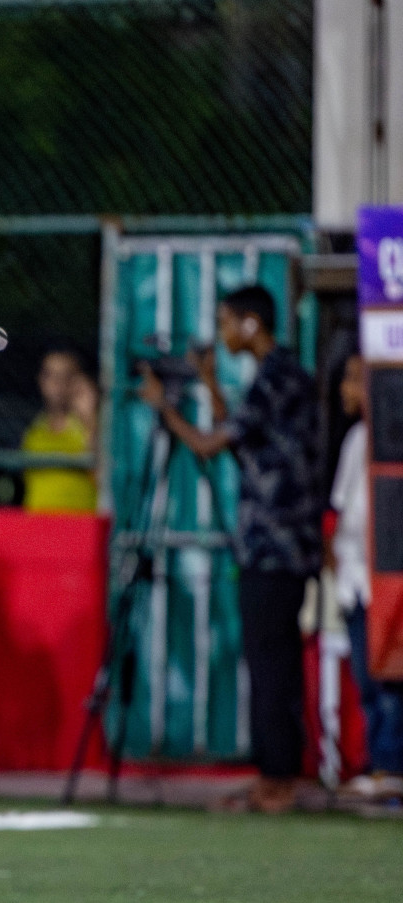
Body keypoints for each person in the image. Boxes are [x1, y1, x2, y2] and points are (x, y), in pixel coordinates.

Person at [140, 284, 321, 813]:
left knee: (270, 664)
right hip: (278, 546)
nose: (219, 333)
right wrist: (211, 383)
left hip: (275, 548)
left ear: (249, 324)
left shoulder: (276, 378)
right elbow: (240, 440)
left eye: (225, 322)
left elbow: (208, 443)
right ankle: (276, 776)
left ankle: (277, 782)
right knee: (273, 661)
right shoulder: (282, 377)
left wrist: (163, 409)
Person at [331, 353, 401, 800]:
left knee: (390, 679)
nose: (346, 389)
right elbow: (342, 510)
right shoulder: (357, 439)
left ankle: (392, 768)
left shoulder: (391, 443)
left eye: (355, 380)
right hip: (355, 579)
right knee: (367, 679)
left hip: (386, 580)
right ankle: (380, 764)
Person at [21, 348, 98, 513]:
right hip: (38, 528)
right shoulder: (34, 431)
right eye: (50, 375)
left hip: (78, 528)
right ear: (41, 380)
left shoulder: (88, 427)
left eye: (65, 375)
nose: (56, 383)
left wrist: (89, 420)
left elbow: (105, 481)